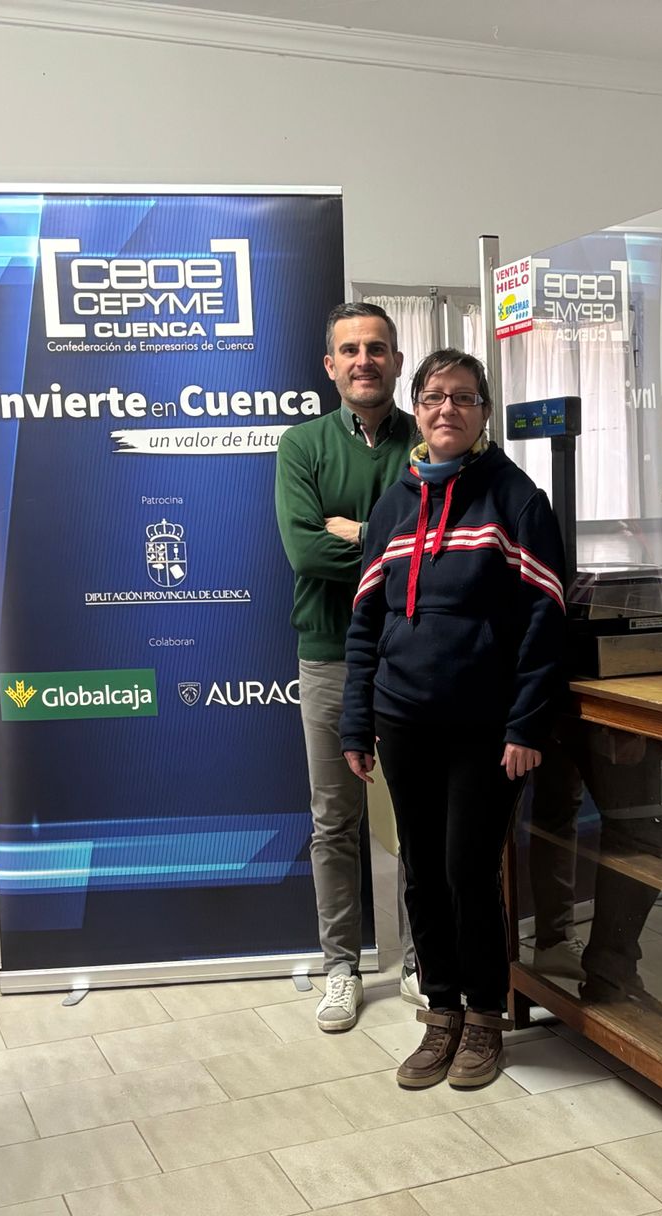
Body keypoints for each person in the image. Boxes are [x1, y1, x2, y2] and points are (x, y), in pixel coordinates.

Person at [339, 349, 566, 1090]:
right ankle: (441, 1013)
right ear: (418, 409)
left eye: (464, 397)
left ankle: (485, 1017)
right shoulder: (393, 506)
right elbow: (365, 621)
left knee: (469, 870)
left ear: (483, 412)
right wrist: (356, 720)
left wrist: (526, 724)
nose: (448, 409)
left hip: (485, 727)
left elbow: (545, 622)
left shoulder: (517, 499)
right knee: (423, 872)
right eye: (435, 396)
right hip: (403, 719)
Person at [274, 301, 422, 1030]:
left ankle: (424, 956)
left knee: (421, 814)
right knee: (334, 820)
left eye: (377, 348)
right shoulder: (301, 446)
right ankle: (340, 966)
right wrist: (396, 544)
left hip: (416, 656)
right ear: (330, 365)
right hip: (331, 655)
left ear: (396, 360)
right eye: (351, 350)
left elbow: (447, 547)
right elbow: (306, 552)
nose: (365, 360)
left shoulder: (428, 437)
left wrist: (360, 532)